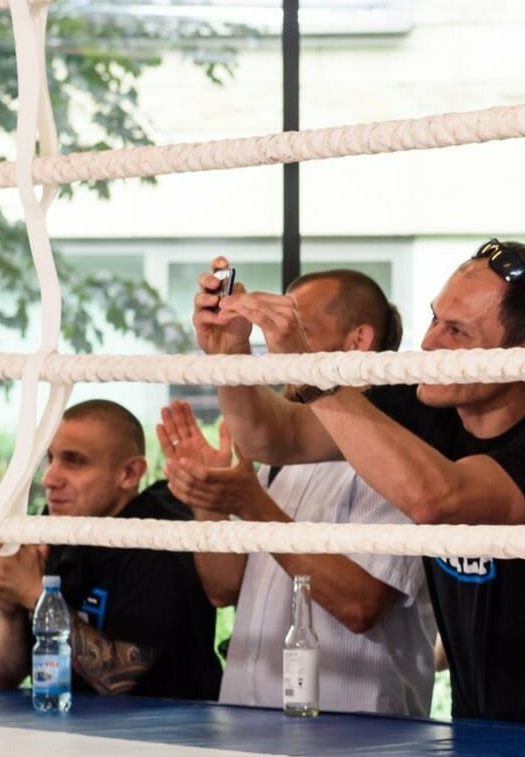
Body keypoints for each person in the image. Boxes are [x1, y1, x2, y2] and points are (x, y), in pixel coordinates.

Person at [197, 242, 525, 734]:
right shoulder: (426, 399)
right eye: (435, 319)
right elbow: (275, 437)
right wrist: (233, 358)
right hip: (481, 727)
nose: (431, 343)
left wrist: (311, 373)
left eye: (457, 331)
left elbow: (437, 498)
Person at [157, 269, 435, 717]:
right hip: (248, 724)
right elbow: (223, 589)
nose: (277, 339)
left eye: (293, 327)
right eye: (272, 327)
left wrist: (254, 506)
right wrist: (209, 504)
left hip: (358, 743)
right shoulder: (281, 451)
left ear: (358, 340)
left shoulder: (399, 448)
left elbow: (361, 604)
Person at [0, 399, 220, 701]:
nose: (49, 479)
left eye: (74, 461)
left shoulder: (158, 537)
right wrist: (9, 612)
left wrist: (35, 595)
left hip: (165, 738)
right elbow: (3, 676)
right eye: (51, 459)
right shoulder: (57, 525)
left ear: (128, 474)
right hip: (67, 730)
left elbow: (117, 680)